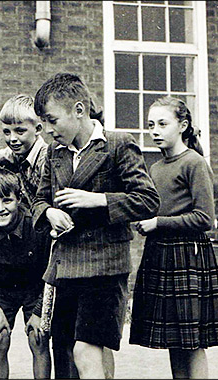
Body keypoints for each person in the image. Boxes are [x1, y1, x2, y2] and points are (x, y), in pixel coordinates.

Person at [26, 73, 160, 379]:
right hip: (66, 269)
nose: (46, 130)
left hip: (104, 269)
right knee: (69, 356)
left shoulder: (117, 145)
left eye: (51, 120)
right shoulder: (53, 152)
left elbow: (148, 200)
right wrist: (49, 214)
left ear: (78, 110)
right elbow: (38, 201)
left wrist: (98, 200)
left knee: (85, 351)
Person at [130, 96, 218, 378]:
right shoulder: (155, 168)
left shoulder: (194, 162)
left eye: (163, 124)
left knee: (192, 340)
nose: (155, 131)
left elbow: (204, 219)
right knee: (174, 339)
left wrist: (158, 223)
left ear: (182, 125)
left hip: (187, 256)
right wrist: (142, 221)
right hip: (161, 254)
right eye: (151, 125)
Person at [0, 168, 52, 378]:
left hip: (34, 289)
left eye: (7, 200)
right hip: (2, 292)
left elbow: (50, 271)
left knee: (39, 336)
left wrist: (37, 312)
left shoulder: (36, 227)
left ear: (19, 199)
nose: (0, 209)